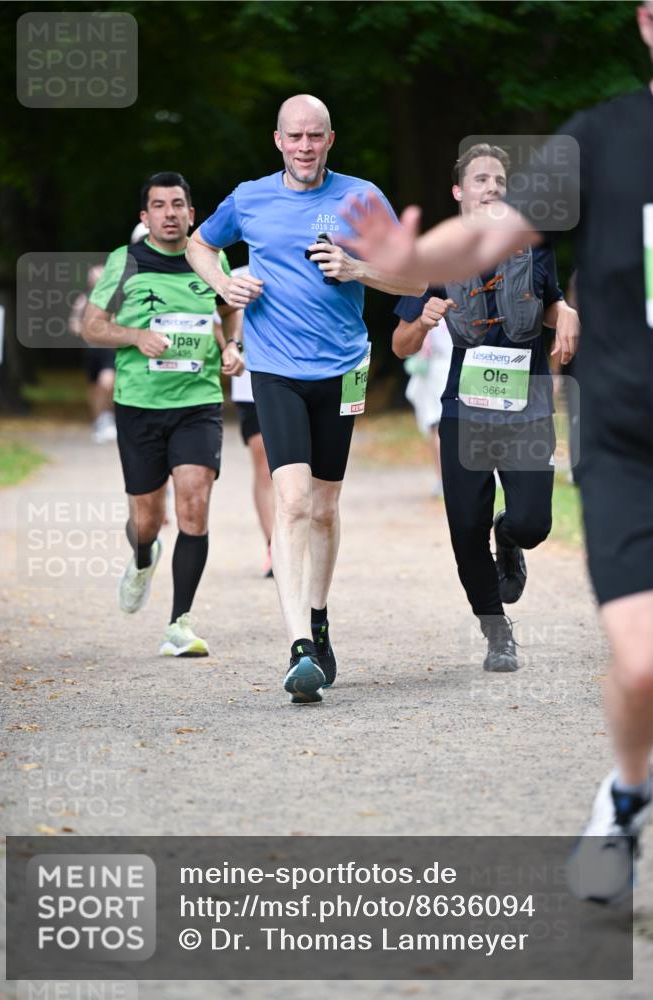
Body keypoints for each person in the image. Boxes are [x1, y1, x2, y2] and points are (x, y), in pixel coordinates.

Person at [342, 1, 653, 901]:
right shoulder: (596, 142)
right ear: (642, 21)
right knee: (639, 662)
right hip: (628, 437)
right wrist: (411, 258)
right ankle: (625, 796)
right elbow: (484, 235)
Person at [186, 94, 425, 704]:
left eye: (314, 136)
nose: (304, 147)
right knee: (291, 500)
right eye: (294, 137)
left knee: (324, 506)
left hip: (342, 370)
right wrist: (224, 283)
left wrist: (357, 270)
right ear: (278, 141)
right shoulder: (250, 198)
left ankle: (318, 615)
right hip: (274, 369)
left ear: (330, 140)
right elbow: (198, 244)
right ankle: (298, 648)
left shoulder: (362, 198)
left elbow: (415, 279)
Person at [391, 144, 579, 673]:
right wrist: (422, 321)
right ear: (459, 192)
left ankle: (510, 535)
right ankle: (497, 633)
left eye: (499, 180)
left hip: (528, 404)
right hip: (464, 409)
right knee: (463, 526)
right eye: (480, 180)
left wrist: (564, 312)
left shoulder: (533, 247)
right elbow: (400, 346)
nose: (492, 188)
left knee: (534, 523)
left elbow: (548, 306)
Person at [82, 171, 244, 656]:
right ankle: (141, 554)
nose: (170, 214)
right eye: (159, 205)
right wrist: (136, 337)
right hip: (140, 406)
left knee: (194, 504)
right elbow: (92, 326)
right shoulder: (126, 262)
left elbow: (230, 307)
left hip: (197, 404)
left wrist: (233, 345)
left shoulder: (211, 259)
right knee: (148, 518)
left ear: (192, 214)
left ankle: (180, 624)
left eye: (178, 205)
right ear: (145, 216)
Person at [214, 269, 275, 577]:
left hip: (304, 381)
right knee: (264, 465)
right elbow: (217, 320)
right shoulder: (235, 276)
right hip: (251, 384)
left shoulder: (306, 264)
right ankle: (274, 548)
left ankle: (300, 541)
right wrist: (231, 347)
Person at [399, 316, 452, 498]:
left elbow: (423, 348)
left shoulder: (431, 311)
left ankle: (443, 479)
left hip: (436, 372)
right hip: (457, 370)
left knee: (436, 429)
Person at [68, 264, 117, 444]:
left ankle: (108, 417)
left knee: (108, 383)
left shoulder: (113, 299)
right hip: (91, 351)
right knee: (94, 388)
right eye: (93, 277)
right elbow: (73, 325)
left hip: (108, 349)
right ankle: (99, 422)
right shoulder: (83, 299)